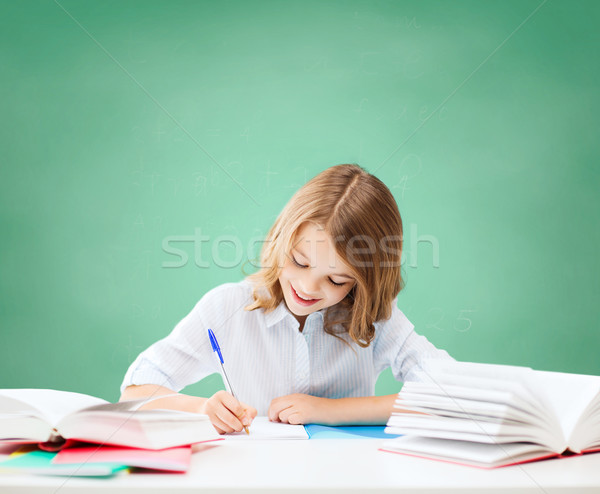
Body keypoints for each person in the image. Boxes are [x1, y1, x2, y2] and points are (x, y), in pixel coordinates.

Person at [120, 164, 452, 434]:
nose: (307, 287)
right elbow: (135, 393)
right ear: (282, 238)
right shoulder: (227, 307)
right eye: (299, 261)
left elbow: (449, 394)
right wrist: (201, 408)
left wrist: (327, 410)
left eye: (336, 280)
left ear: (361, 284)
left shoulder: (374, 317)